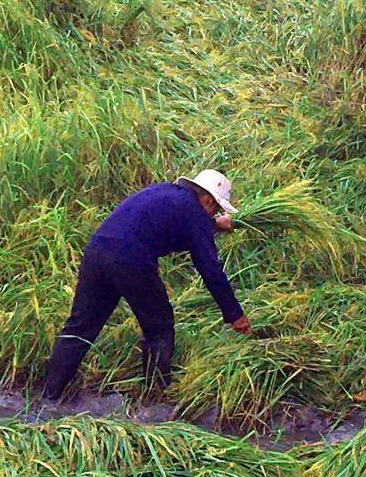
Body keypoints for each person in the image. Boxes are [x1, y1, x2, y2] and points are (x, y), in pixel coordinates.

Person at [41, 169, 253, 401]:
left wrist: (213, 225)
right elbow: (211, 269)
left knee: (80, 327)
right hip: (130, 260)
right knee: (159, 326)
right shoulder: (194, 212)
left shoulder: (165, 192)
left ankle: (49, 396)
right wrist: (234, 314)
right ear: (209, 199)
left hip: (97, 251)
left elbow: (176, 224)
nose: (215, 212)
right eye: (217, 208)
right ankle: (154, 400)